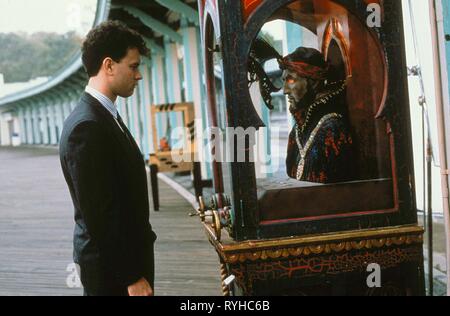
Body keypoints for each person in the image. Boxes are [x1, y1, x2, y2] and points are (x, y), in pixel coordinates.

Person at [59, 20, 157, 296]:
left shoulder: (100, 116)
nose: (138, 75)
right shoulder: (87, 127)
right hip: (113, 273)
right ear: (109, 65)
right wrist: (132, 277)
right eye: (134, 66)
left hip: (119, 264)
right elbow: (101, 215)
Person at [281, 47, 355, 183]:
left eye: (291, 80)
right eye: (284, 81)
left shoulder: (333, 130)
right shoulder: (296, 132)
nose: (285, 90)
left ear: (313, 82)